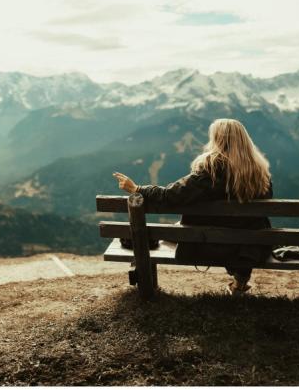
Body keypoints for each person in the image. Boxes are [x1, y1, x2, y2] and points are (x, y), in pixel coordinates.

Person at [112, 118, 273, 296]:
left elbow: (171, 195)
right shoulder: (260, 173)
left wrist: (137, 189)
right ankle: (240, 282)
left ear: (217, 140)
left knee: (167, 233)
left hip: (208, 242)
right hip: (250, 247)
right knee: (242, 229)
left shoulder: (211, 170)